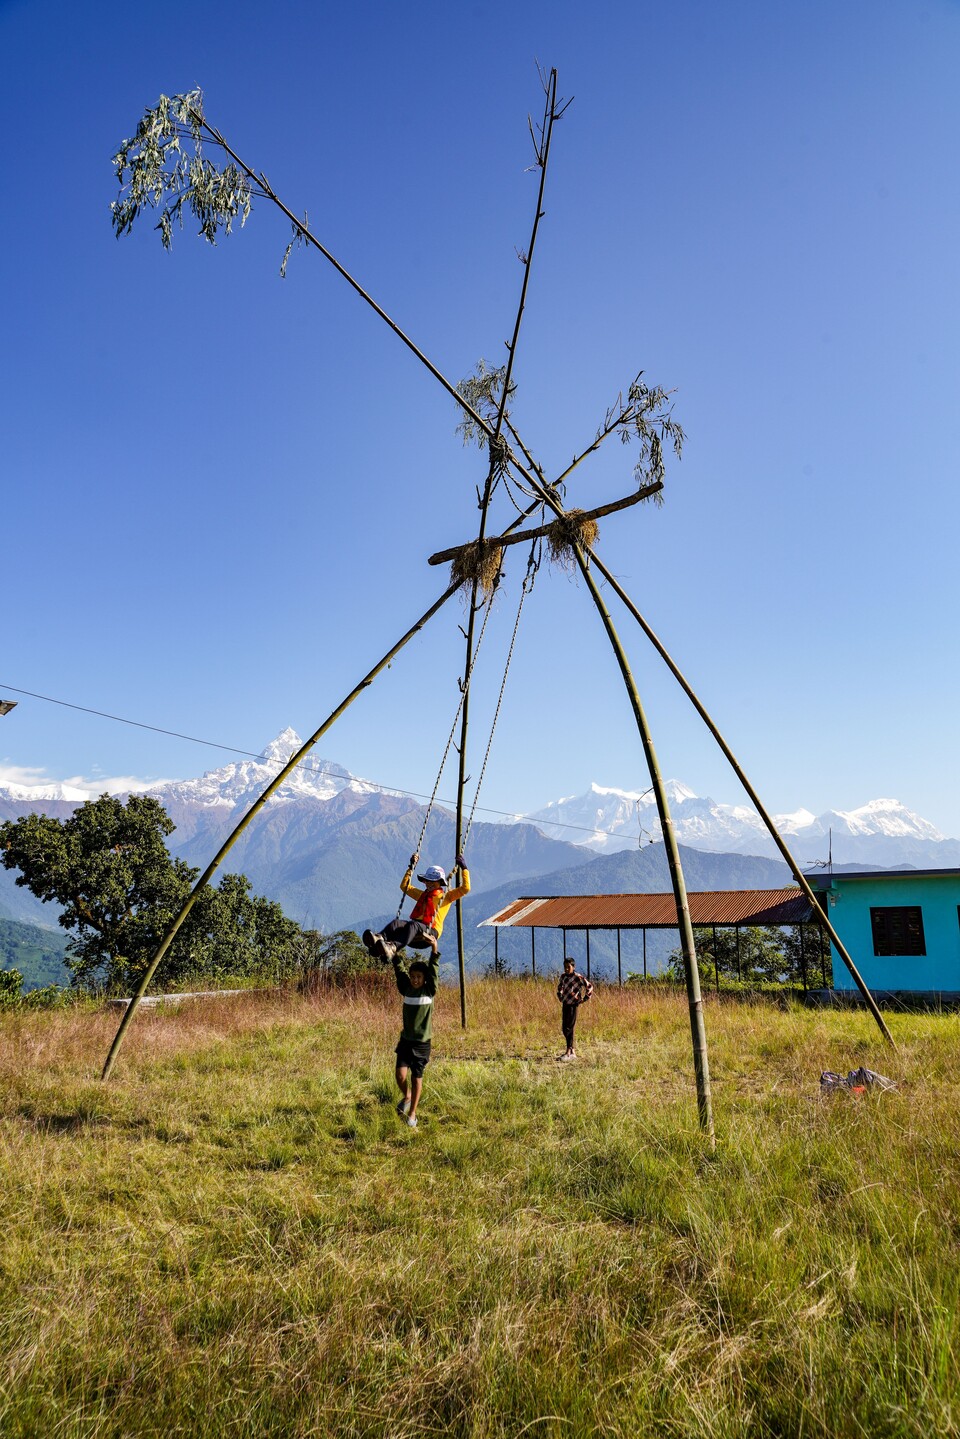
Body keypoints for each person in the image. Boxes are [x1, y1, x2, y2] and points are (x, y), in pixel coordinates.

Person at [363, 851, 470, 963]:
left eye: (432, 881)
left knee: (413, 925)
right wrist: (411, 867)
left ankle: (393, 947)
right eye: (427, 881)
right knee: (396, 923)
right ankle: (379, 939)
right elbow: (405, 886)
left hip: (431, 932)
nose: (429, 883)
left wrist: (464, 868)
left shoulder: (447, 896)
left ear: (440, 882)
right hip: (414, 931)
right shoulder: (422, 896)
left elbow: (465, 888)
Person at [391, 949, 439, 1129]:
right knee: (400, 1075)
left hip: (422, 1044)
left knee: (416, 1077)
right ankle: (407, 1096)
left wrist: (434, 951)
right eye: (413, 976)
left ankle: (412, 1113)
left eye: (418, 976)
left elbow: (434, 969)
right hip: (405, 1041)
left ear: (424, 978)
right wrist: (394, 954)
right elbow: (399, 970)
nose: (415, 979)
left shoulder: (429, 990)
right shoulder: (406, 989)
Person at [556, 955, 593, 1061]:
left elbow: (589, 986)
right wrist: (560, 995)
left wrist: (585, 998)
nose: (567, 969)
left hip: (573, 1004)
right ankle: (571, 1050)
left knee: (569, 1027)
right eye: (565, 967)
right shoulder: (563, 976)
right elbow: (560, 986)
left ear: (574, 967)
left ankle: (569, 1051)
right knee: (564, 1027)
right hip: (565, 1003)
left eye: (569, 967)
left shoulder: (578, 977)